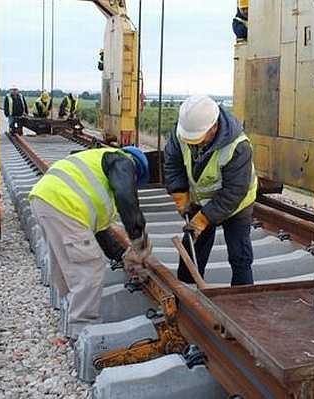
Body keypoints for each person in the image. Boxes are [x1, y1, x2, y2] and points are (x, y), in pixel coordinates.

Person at [29, 146, 153, 338]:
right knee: (90, 265)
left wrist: (123, 255)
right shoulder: (123, 161)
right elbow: (125, 197)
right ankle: (82, 328)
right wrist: (138, 239)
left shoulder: (98, 167)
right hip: (65, 205)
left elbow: (100, 233)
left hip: (44, 199)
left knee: (64, 259)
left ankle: (69, 304)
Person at [164, 95, 258, 286]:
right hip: (201, 201)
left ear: (214, 127)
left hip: (237, 204)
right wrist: (180, 193)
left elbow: (234, 192)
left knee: (240, 254)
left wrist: (204, 219)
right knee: (192, 248)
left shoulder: (238, 146)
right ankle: (187, 292)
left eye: (197, 139)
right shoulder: (183, 132)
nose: (192, 143)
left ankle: (243, 296)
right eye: (189, 139)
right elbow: (172, 163)